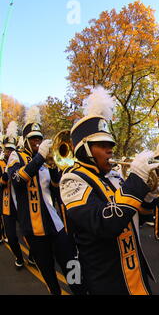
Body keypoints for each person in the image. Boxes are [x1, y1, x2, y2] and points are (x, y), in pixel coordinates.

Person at [60, 87, 157, 295]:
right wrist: (136, 182)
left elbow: (141, 213)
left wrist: (148, 194)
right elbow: (105, 223)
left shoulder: (113, 175)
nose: (110, 149)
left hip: (134, 271)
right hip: (107, 278)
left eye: (110, 144)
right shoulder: (71, 179)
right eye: (102, 145)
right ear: (85, 149)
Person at [9, 106, 86, 295]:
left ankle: (79, 291)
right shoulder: (16, 156)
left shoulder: (44, 160)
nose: (37, 142)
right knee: (48, 270)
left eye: (39, 138)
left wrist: (53, 166)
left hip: (56, 224)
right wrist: (39, 158)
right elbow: (18, 181)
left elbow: (54, 189)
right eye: (33, 139)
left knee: (71, 263)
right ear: (26, 141)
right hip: (33, 229)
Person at [1, 121, 25, 268]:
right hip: (6, 205)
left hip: (21, 203)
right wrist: (4, 178)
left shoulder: (19, 160)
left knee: (29, 233)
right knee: (11, 235)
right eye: (7, 149)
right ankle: (19, 257)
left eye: (11, 149)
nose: (9, 152)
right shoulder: (0, 163)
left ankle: (33, 256)